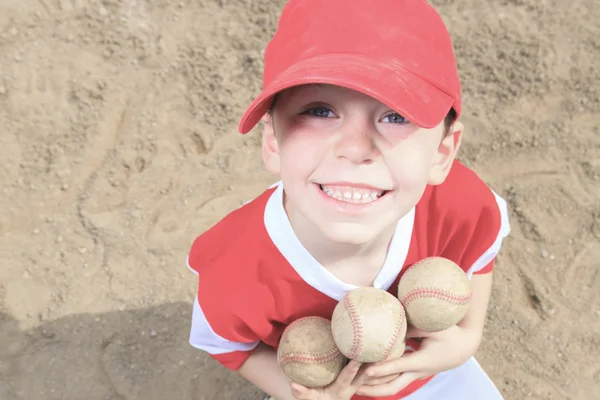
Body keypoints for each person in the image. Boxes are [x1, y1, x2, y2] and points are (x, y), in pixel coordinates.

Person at [186, 0, 511, 399]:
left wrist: (465, 339)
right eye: (320, 110)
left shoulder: (460, 206)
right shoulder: (234, 266)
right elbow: (228, 347)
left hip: (436, 375)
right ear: (273, 142)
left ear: (441, 154)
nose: (356, 149)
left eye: (395, 115)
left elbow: (481, 251)